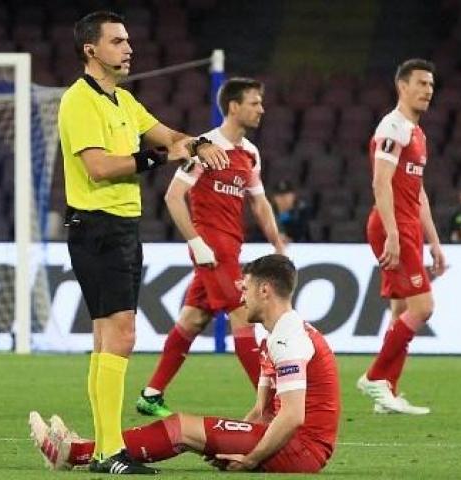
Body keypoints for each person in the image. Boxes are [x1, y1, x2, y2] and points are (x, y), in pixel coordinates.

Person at [59, 10, 229, 475]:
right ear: (91, 49)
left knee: (106, 337)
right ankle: (111, 451)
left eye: (128, 40)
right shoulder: (80, 101)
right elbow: (98, 166)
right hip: (98, 227)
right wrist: (156, 158)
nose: (128, 48)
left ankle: (103, 452)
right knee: (122, 334)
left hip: (120, 229)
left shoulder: (121, 101)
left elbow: (169, 135)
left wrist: (192, 145)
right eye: (117, 41)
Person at [30, 254, 341, 474]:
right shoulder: (274, 337)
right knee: (188, 432)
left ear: (265, 290)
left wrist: (252, 458)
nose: (241, 298)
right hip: (292, 443)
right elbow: (261, 413)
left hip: (303, 450)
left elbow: (293, 415)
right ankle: (88, 448)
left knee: (181, 428)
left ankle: (75, 453)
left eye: (245, 289)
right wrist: (229, 442)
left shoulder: (290, 338)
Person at [135, 77, 285, 418]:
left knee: (193, 319)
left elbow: (260, 204)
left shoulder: (250, 153)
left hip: (231, 247)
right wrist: (197, 242)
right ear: (234, 107)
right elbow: (173, 197)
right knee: (243, 315)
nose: (261, 109)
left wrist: (277, 244)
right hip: (211, 247)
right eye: (254, 102)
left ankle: (151, 394)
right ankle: (269, 408)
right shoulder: (204, 148)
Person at [358, 58, 446, 415]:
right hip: (393, 224)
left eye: (431, 85)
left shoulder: (417, 133)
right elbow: (380, 181)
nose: (427, 90)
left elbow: (418, 192)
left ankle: (387, 393)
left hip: (407, 225)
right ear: (402, 86)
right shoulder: (393, 127)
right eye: (421, 83)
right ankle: (374, 378)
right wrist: (393, 234)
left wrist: (435, 242)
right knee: (423, 307)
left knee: (400, 311)